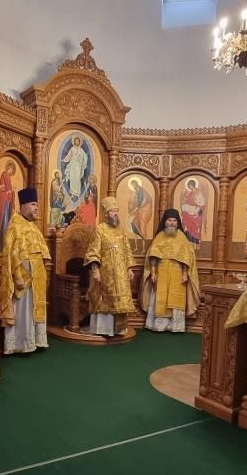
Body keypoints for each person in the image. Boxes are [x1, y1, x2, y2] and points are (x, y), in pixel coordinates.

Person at [0, 187, 51, 354]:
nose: (37, 208)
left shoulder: (33, 226)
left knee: (34, 307)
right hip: (24, 276)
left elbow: (42, 251)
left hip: (37, 275)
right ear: (23, 205)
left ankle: (35, 341)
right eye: (33, 204)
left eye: (37, 205)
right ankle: (19, 344)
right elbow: (11, 254)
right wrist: (17, 276)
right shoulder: (15, 225)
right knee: (23, 309)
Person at [84, 196, 137, 336]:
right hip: (105, 273)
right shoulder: (100, 230)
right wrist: (95, 270)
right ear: (106, 213)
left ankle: (119, 330)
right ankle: (104, 330)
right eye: (113, 211)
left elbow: (127, 249)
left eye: (116, 211)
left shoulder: (121, 230)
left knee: (120, 299)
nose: (115, 214)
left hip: (121, 273)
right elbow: (93, 252)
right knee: (105, 299)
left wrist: (130, 268)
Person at [140, 208, 200, 332]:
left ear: (177, 223)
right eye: (169, 220)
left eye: (174, 221)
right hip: (161, 271)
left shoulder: (182, 237)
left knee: (176, 297)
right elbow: (153, 256)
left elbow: (186, 258)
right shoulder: (159, 237)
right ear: (165, 222)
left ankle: (175, 326)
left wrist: (185, 274)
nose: (172, 223)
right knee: (160, 297)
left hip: (178, 273)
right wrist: (153, 272)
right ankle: (159, 326)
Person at [181, 178, 207, 245]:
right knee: (186, 225)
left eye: (190, 186)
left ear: (192, 185)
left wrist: (198, 214)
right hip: (188, 211)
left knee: (195, 227)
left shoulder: (199, 193)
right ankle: (188, 241)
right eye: (188, 186)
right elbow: (187, 201)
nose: (189, 187)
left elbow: (202, 205)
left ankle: (195, 241)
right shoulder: (190, 193)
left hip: (195, 212)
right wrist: (185, 201)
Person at [0, 161, 16, 250]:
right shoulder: (4, 175)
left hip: (8, 201)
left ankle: (7, 245)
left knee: (8, 222)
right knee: (4, 222)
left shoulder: (8, 177)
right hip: (4, 201)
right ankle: (3, 245)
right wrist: (8, 192)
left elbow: (9, 189)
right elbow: (1, 189)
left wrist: (12, 192)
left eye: (12, 170)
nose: (11, 171)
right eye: (11, 169)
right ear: (8, 168)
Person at [61, 136, 88, 201]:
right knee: (72, 179)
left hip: (78, 166)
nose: (77, 142)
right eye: (76, 141)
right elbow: (68, 156)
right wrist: (64, 160)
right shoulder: (72, 149)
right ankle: (72, 194)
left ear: (79, 142)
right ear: (74, 142)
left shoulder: (81, 150)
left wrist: (81, 160)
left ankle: (77, 194)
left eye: (78, 141)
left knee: (77, 179)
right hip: (72, 165)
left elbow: (85, 158)